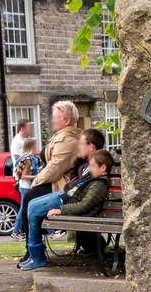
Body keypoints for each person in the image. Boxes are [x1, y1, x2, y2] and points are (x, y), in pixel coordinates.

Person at [21, 149, 114, 270]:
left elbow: (84, 205)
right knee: (32, 202)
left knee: (33, 209)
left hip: (65, 202)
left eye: (92, 166)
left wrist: (61, 210)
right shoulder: (94, 177)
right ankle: (34, 255)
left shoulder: (99, 184)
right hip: (65, 196)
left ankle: (37, 257)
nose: (90, 169)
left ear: (103, 168)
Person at [13, 99, 80, 240]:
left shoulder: (68, 140)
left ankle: (33, 249)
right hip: (56, 184)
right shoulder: (61, 136)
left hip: (62, 187)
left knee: (31, 198)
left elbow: (55, 168)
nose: (52, 120)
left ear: (67, 120)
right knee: (30, 199)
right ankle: (32, 247)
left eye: (55, 117)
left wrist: (36, 181)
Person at [10, 136, 42, 239]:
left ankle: (19, 232)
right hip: (25, 187)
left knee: (28, 208)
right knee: (24, 208)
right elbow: (23, 176)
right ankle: (15, 232)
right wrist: (37, 176)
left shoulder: (30, 157)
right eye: (36, 145)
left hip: (27, 186)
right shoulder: (28, 159)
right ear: (32, 147)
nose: (38, 147)